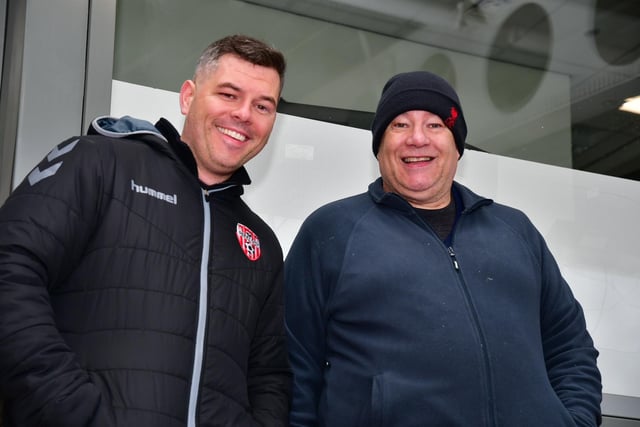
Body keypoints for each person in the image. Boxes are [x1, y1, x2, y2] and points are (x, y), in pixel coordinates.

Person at [0, 34, 291, 426]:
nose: (244, 115)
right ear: (188, 97)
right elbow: (10, 268)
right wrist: (67, 407)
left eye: (263, 106)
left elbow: (269, 375)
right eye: (228, 94)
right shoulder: (101, 163)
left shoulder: (260, 244)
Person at [284, 71, 602, 426]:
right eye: (400, 125)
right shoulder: (331, 231)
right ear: (380, 143)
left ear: (456, 144)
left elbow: (570, 346)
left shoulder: (515, 231)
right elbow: (295, 368)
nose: (417, 139)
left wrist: (575, 420)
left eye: (435, 125)